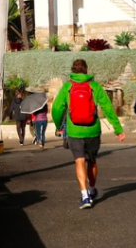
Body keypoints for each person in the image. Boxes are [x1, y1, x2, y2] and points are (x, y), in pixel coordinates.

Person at [51, 58, 125, 209]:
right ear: (86, 70)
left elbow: (57, 109)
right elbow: (108, 108)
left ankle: (85, 196)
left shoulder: (67, 87)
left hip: (74, 131)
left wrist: (59, 126)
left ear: (72, 70)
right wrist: (118, 129)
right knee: (92, 161)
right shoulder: (95, 87)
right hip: (92, 130)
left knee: (79, 161)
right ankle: (91, 189)